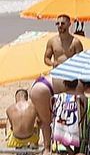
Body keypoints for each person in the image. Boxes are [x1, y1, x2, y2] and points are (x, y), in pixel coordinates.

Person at [29, 14, 83, 144]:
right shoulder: (52, 41)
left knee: (68, 110)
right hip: (56, 75)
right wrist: (53, 63)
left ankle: (69, 139)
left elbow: (82, 61)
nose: (60, 26)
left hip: (70, 78)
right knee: (49, 110)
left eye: (63, 24)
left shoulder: (75, 42)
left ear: (69, 24)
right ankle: (50, 141)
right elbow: (46, 58)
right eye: (57, 24)